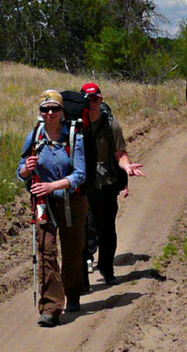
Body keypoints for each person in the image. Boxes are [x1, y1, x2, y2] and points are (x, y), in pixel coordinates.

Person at [17, 89, 87, 327]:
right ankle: (50, 307)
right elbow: (20, 170)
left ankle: (73, 292)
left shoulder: (74, 137)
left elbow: (79, 174)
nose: (49, 113)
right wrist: (26, 169)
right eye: (44, 109)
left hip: (71, 202)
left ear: (62, 111)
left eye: (54, 109)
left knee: (72, 251)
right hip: (42, 204)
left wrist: (52, 186)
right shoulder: (34, 136)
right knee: (45, 252)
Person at [80, 81, 145, 285]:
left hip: (106, 183)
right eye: (88, 99)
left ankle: (106, 269)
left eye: (96, 98)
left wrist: (126, 167)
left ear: (101, 99)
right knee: (84, 228)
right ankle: (82, 273)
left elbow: (120, 153)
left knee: (106, 229)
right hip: (82, 184)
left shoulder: (111, 125)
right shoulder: (75, 126)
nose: (92, 102)